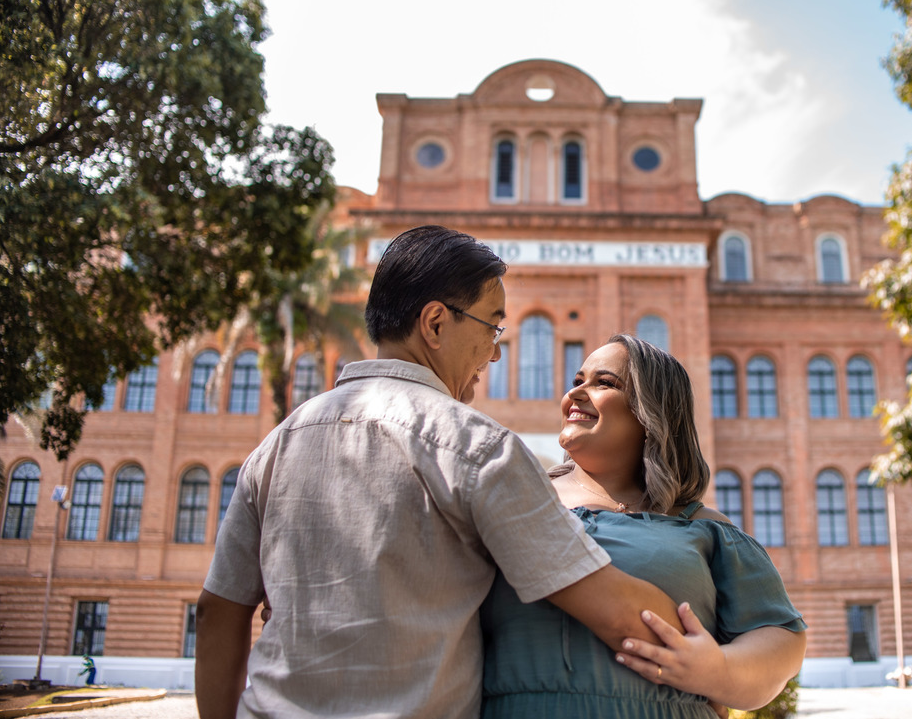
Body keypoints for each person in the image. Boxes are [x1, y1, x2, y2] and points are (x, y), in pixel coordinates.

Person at [195, 226, 685, 719]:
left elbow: (218, 610)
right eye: (492, 328)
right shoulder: (478, 448)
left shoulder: (278, 442)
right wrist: (728, 642)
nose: (495, 353)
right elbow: (621, 614)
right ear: (434, 323)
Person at [481, 334, 808, 718]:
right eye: (577, 381)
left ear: (651, 412)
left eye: (604, 383)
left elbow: (783, 638)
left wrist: (716, 671)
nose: (577, 394)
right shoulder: (515, 501)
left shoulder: (706, 529)